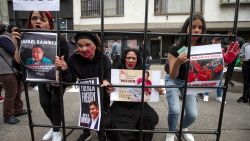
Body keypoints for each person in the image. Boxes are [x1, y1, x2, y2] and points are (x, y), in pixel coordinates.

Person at [165, 13, 239, 141]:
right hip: (174, 80)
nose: (197, 30)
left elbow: (212, 69)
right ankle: (171, 131)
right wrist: (177, 62)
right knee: (175, 110)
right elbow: (172, 74)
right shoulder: (176, 48)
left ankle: (181, 129)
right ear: (186, 28)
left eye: (200, 27)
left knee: (192, 115)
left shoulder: (206, 48)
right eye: (193, 26)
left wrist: (224, 61)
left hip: (191, 82)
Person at [12, 11, 69, 141]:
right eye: (34, 18)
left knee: (55, 103)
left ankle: (56, 132)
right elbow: (16, 65)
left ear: (49, 24)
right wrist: (17, 45)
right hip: (40, 77)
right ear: (29, 22)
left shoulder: (60, 39)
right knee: (44, 104)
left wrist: (62, 68)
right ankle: (55, 127)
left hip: (57, 78)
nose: (37, 21)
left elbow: (68, 61)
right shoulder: (25, 38)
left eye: (42, 19)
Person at [55, 32, 111, 141]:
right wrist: (66, 69)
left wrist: (107, 81)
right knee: (86, 111)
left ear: (95, 45)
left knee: (103, 113)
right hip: (86, 91)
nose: (84, 49)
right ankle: (86, 132)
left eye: (87, 45)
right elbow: (70, 81)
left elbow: (108, 75)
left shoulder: (104, 59)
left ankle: (101, 132)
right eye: (80, 45)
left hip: (102, 91)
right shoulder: (73, 59)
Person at [108, 48, 161, 141]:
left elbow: (149, 89)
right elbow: (108, 87)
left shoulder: (143, 72)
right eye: (128, 58)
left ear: (137, 60)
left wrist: (157, 90)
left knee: (151, 118)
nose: (131, 60)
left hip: (139, 104)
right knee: (111, 119)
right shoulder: (116, 71)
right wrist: (109, 89)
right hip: (120, 104)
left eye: (134, 58)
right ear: (124, 59)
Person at [0, 24, 27, 124]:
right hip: (6, 70)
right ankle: (8, 116)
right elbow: (14, 51)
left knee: (18, 90)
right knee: (10, 93)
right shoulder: (4, 38)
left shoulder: (9, 38)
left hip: (13, 70)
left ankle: (17, 110)